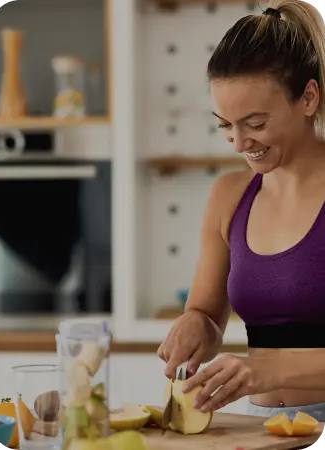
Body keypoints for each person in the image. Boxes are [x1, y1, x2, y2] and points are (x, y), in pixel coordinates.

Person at [157, 0, 325, 429]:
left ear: (308, 97)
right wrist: (195, 326)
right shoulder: (230, 195)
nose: (238, 143)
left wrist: (266, 370)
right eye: (225, 125)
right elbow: (209, 316)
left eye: (255, 123)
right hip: (260, 426)